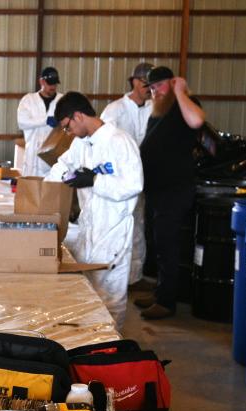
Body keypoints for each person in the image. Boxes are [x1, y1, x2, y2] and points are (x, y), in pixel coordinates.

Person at [45, 92, 143, 329]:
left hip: (113, 231)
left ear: (78, 116)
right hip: (89, 228)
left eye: (67, 126)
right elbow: (63, 166)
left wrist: (95, 181)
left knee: (111, 295)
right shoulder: (82, 144)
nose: (68, 133)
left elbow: (133, 185)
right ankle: (90, 344)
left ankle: (109, 349)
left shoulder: (120, 142)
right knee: (89, 292)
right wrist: (40, 190)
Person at [135, 66, 205, 320]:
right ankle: (160, 292)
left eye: (160, 86)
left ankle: (166, 302)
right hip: (156, 189)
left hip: (175, 189)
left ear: (172, 82)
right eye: (152, 88)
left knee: (167, 243)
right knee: (156, 243)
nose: (155, 92)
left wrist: (179, 91)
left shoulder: (185, 104)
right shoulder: (158, 110)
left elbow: (197, 121)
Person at [100, 62, 153, 288]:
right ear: (133, 81)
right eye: (143, 82)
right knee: (121, 224)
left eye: (151, 84)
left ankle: (135, 276)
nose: (147, 88)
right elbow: (103, 143)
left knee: (140, 224)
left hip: (147, 175)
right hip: (120, 179)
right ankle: (116, 277)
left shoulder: (154, 108)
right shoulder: (114, 110)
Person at [17, 66, 62, 177]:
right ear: (41, 81)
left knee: (52, 187)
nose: (52, 87)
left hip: (54, 154)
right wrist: (45, 120)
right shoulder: (28, 100)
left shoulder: (62, 100)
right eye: (49, 83)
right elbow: (22, 122)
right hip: (33, 155)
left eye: (55, 84)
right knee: (31, 188)